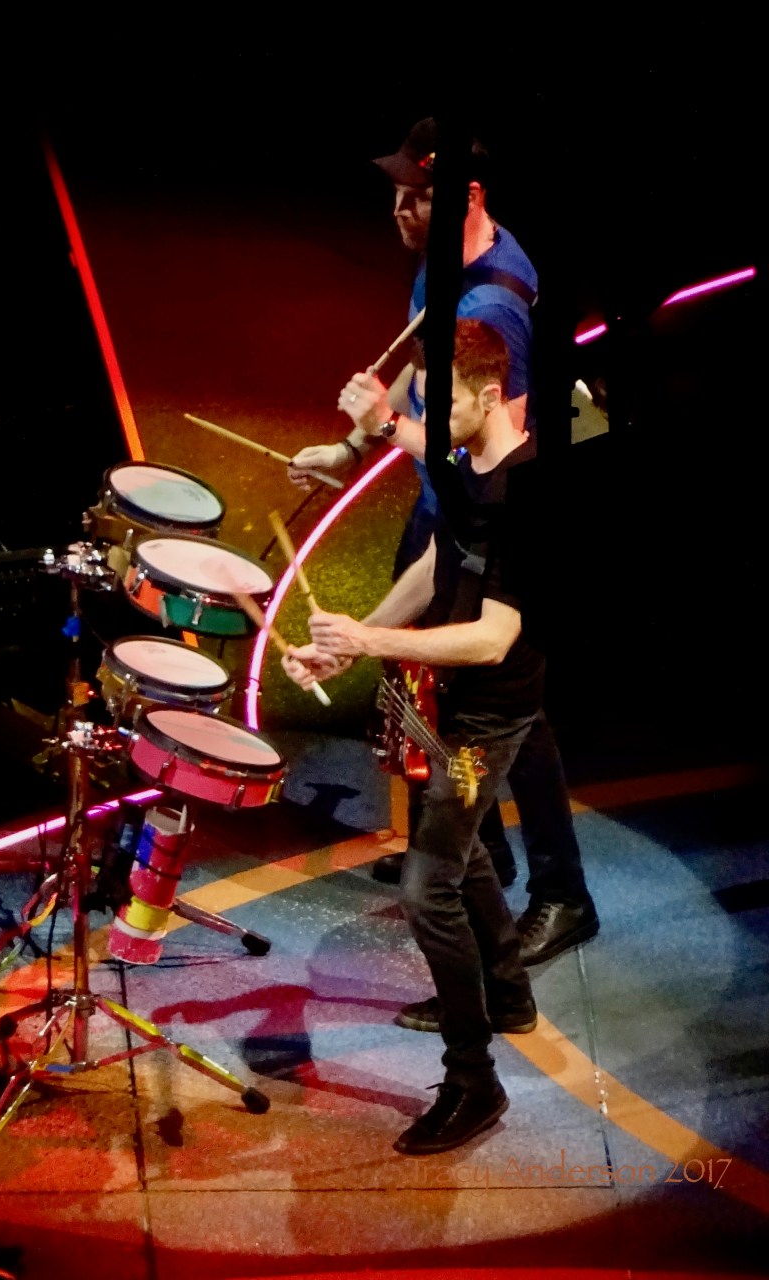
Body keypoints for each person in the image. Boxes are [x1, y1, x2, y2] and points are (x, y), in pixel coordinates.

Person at [288, 118, 598, 981]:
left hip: (483, 522)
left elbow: (498, 459)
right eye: (394, 192)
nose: (397, 209)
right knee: (430, 693)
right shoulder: (443, 267)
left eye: (414, 195)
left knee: (510, 711)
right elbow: (422, 363)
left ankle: (561, 891)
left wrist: (387, 430)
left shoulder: (495, 301)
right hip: (443, 511)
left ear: (466, 195)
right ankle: (480, 859)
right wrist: (352, 447)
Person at [282, 318, 542, 1155]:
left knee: (430, 884)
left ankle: (475, 1079)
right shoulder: (471, 466)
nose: (427, 421)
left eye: (441, 404)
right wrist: (348, 637)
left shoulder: (525, 493)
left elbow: (493, 636)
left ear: (490, 395)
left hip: (486, 719)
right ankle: (506, 994)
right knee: (458, 853)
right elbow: (437, 566)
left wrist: (371, 645)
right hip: (452, 702)